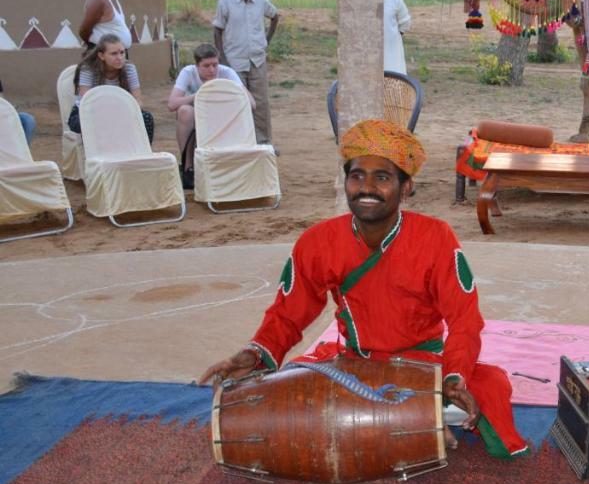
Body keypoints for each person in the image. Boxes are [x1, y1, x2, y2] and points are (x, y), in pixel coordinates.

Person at [198, 119, 528, 459]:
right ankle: (410, 416)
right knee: (285, 393)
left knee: (492, 386)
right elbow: (287, 314)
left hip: (422, 364)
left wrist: (454, 378)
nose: (366, 187)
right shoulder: (317, 242)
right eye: (357, 176)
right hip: (356, 364)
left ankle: (408, 411)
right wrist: (255, 354)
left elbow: (465, 321)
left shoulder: (436, 237)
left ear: (406, 187)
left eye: (382, 177)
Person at [212, 0, 280, 146]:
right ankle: (240, 143)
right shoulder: (225, 2)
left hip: (257, 60)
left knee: (261, 104)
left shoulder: (261, 1)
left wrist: (266, 39)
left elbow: (275, 17)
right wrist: (221, 58)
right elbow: (217, 30)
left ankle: (264, 143)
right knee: (237, 102)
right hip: (234, 60)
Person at [167, 44, 246, 186]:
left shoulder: (227, 72)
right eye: (206, 66)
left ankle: (228, 164)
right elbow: (172, 104)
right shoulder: (188, 72)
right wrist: (199, 95)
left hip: (221, 116)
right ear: (196, 66)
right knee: (184, 111)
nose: (212, 70)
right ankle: (187, 168)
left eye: (215, 64)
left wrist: (227, 96)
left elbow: (250, 103)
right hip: (195, 118)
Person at [67, 34, 154, 143]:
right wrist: (110, 114)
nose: (119, 58)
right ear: (101, 55)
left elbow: (138, 101)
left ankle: (142, 155)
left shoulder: (129, 68)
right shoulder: (88, 69)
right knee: (98, 123)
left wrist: (125, 112)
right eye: (114, 54)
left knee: (146, 118)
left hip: (121, 111)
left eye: (122, 53)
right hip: (89, 113)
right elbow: (87, 102)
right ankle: (98, 157)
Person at [383, 0, 411, 75]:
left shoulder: (395, 0)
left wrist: (391, 37)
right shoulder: (360, 1)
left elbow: (405, 24)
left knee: (393, 81)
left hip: (391, 51)